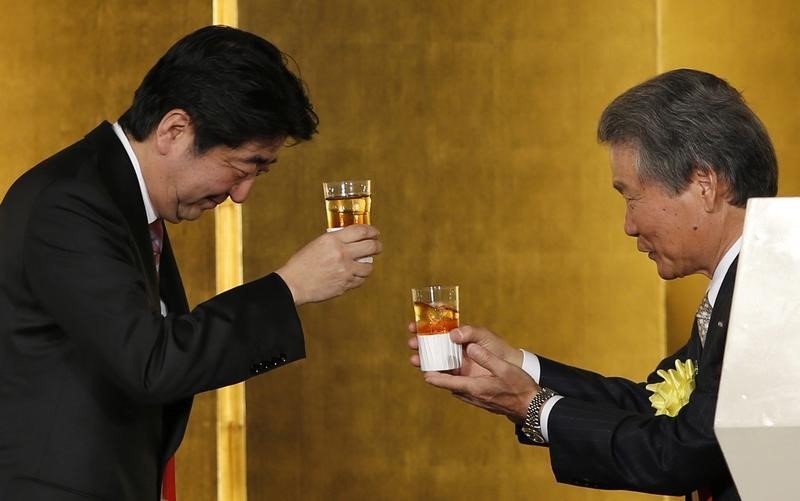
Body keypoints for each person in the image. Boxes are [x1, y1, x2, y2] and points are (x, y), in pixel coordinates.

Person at [0, 26, 381, 500]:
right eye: (240, 170)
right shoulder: (71, 203)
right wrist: (287, 288)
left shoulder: (122, 200)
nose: (241, 195)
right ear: (174, 129)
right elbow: (149, 363)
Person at [409, 69, 777, 500]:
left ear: (704, 184)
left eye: (631, 195)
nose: (628, 225)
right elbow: (650, 406)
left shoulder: (773, 294)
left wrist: (533, 406)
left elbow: (683, 451)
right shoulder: (746, 283)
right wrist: (517, 367)